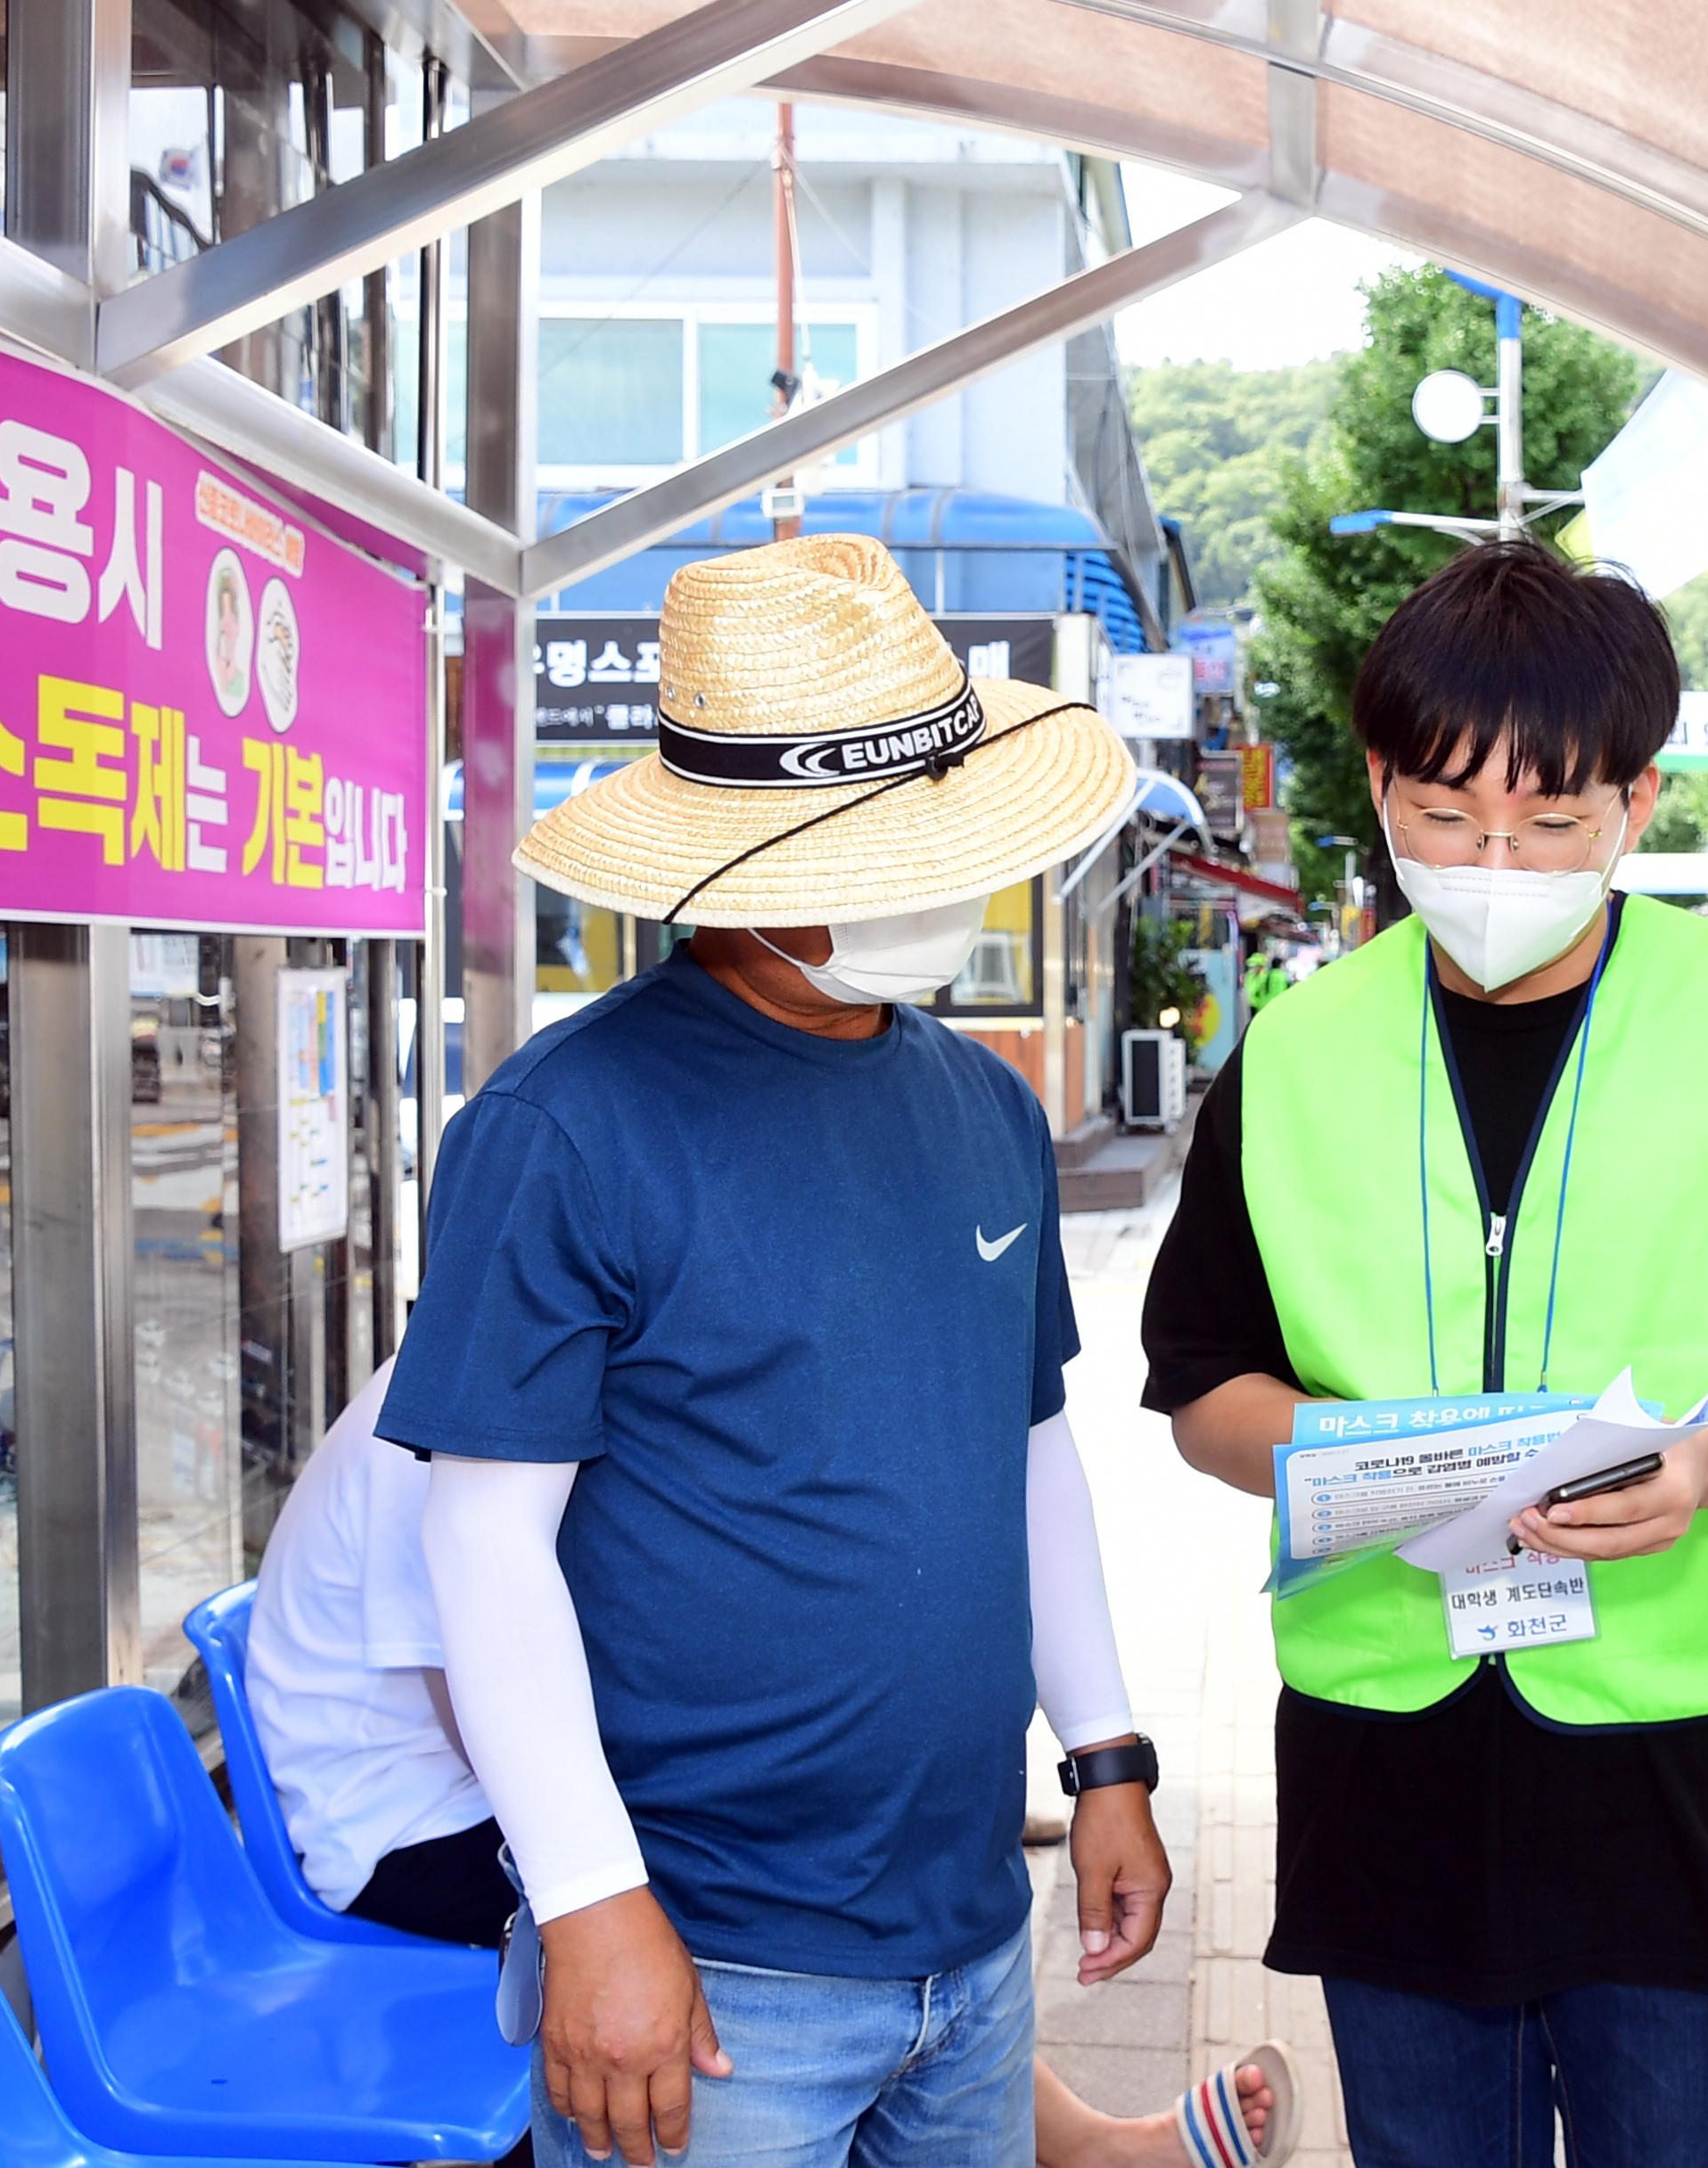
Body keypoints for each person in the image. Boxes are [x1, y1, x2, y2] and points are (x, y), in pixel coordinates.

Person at [1143, 540, 1708, 2164]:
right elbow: (1199, 1381)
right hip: (1387, 1754)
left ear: (1636, 804)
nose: (1491, 858)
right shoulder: (1294, 1051)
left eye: (1549, 823)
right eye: (1444, 818)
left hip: (1680, 1765)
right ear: (1376, 786)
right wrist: (1353, 1458)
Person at [382, 533, 1175, 2168]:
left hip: (968, 1936)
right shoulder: (568, 1124)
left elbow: (1024, 1450)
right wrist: (593, 1900)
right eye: (873, 843)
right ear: (729, 860)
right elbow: (479, 1538)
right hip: (706, 1954)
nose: (937, 879)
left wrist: (1104, 1753)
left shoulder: (983, 1104)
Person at [252, 1359, 1296, 2168]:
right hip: (400, 1823)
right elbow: (478, 1712)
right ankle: (1073, 2138)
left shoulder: (595, 1380)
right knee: (733, 1875)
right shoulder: (449, 1415)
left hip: (467, 1783)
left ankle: (1055, 2127)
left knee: (792, 1845)